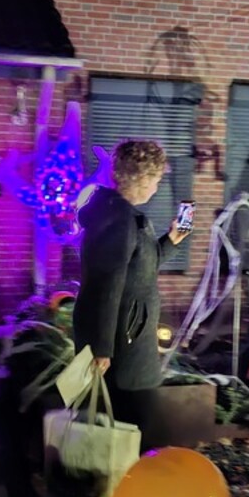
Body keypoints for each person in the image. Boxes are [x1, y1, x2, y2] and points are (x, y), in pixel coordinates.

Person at [73, 139, 190, 445]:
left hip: (123, 341)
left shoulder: (117, 214)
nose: (157, 186)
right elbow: (106, 285)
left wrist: (171, 240)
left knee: (119, 429)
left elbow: (138, 267)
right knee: (139, 430)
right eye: (157, 179)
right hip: (124, 349)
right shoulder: (122, 221)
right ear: (142, 179)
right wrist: (102, 350)